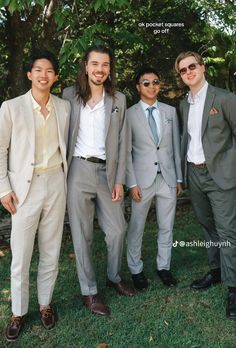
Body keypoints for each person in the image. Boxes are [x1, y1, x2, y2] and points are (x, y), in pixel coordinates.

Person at [0, 50, 70, 341]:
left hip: (56, 182)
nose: (44, 75)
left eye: (49, 71)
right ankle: (18, 311)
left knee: (51, 250)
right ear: (30, 74)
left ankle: (45, 304)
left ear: (55, 76)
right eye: (38, 70)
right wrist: (3, 188)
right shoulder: (11, 107)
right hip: (23, 189)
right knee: (21, 254)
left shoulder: (64, 107)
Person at [62, 45, 135, 316]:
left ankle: (114, 276)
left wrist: (119, 180)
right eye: (95, 64)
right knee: (82, 234)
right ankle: (89, 291)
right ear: (85, 66)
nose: (100, 70)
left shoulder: (118, 100)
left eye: (105, 65)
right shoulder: (69, 96)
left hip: (108, 172)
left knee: (117, 229)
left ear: (109, 69)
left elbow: (123, 142)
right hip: (78, 170)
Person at [175, 51, 236, 320]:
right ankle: (216, 270)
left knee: (227, 231)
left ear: (202, 67)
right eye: (183, 70)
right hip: (195, 175)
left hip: (220, 175)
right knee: (207, 225)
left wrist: (229, 165)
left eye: (192, 66)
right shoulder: (183, 104)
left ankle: (234, 288)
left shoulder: (224, 98)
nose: (188, 72)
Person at [126, 67, 182, 290]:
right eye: (146, 82)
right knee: (136, 227)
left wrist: (178, 178)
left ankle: (164, 267)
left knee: (166, 226)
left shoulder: (169, 112)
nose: (152, 86)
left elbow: (176, 147)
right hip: (141, 181)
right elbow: (126, 152)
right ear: (138, 87)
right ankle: (135, 269)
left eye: (155, 81)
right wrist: (131, 182)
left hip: (167, 179)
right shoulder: (129, 114)